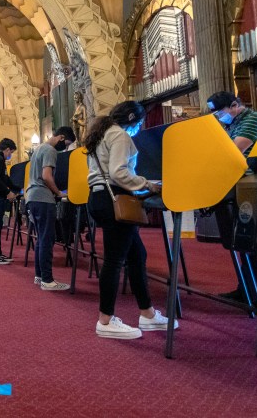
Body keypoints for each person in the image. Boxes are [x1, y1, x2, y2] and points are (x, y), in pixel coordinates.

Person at [83, 101, 176, 339]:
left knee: (137, 255)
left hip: (98, 198)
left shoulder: (100, 134)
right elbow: (119, 172)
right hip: (115, 199)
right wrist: (148, 185)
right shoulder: (120, 136)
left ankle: (147, 314)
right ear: (134, 120)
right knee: (114, 260)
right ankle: (105, 320)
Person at [207, 91, 257, 314]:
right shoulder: (230, 125)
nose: (216, 117)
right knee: (244, 240)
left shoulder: (254, 119)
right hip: (243, 187)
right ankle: (246, 289)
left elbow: (233, 150)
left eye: (218, 112)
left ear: (234, 105)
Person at [26, 126, 76, 291]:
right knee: (47, 238)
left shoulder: (38, 148)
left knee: (41, 238)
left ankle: (39, 276)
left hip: (32, 196)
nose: (66, 148)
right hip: (43, 197)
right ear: (61, 137)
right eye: (67, 143)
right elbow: (47, 176)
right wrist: (59, 192)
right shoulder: (50, 151)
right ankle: (48, 280)